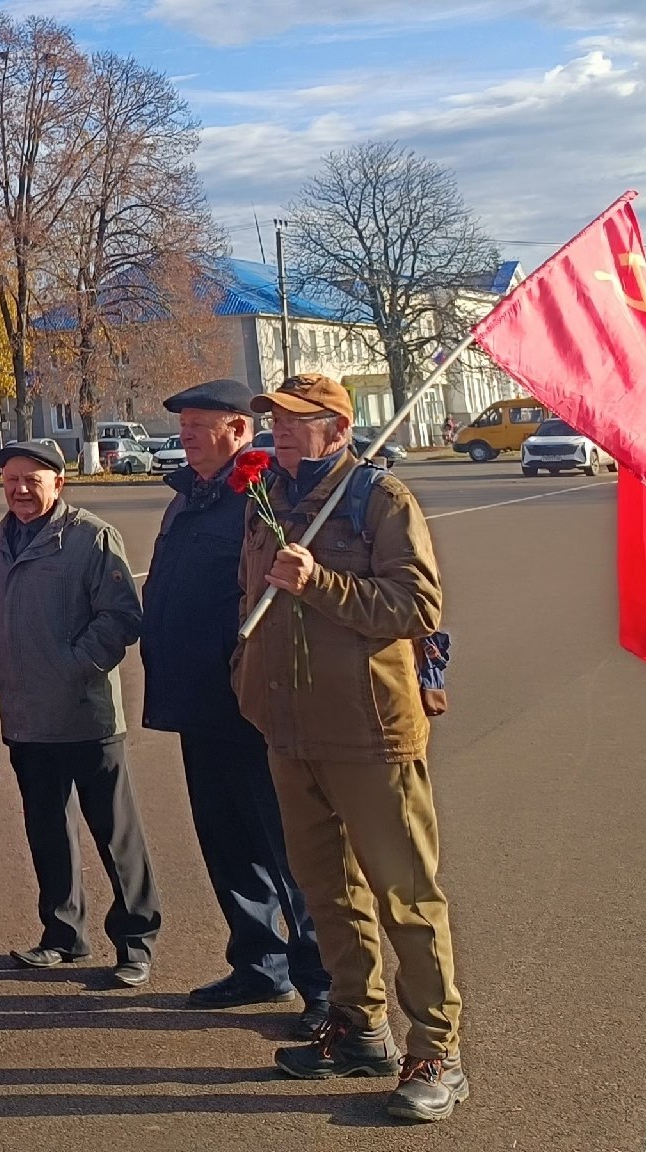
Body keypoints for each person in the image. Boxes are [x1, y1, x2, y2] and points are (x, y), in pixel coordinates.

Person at [238, 374, 468, 1125]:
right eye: (275, 417)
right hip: (291, 730)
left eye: (298, 419)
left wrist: (322, 583)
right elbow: (250, 600)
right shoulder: (268, 498)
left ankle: (437, 1052)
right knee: (327, 893)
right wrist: (248, 684)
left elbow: (416, 607)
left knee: (405, 897)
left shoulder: (379, 498)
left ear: (337, 427)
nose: (281, 429)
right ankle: (359, 1026)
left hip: (370, 732)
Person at [140, 377, 331, 1027]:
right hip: (199, 703)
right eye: (185, 423)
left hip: (250, 705)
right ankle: (259, 964)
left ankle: (323, 983)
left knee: (285, 846)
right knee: (225, 841)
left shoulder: (260, 499)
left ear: (238, 430)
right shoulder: (190, 498)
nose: (187, 432)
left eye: (202, 422)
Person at [0, 439, 160, 986]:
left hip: (86, 715)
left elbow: (121, 617)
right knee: (47, 828)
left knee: (114, 831)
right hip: (25, 720)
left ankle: (135, 940)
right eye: (10, 480)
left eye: (32, 479)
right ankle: (62, 934)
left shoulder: (90, 538)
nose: (21, 490)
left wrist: (72, 664)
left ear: (59, 483)